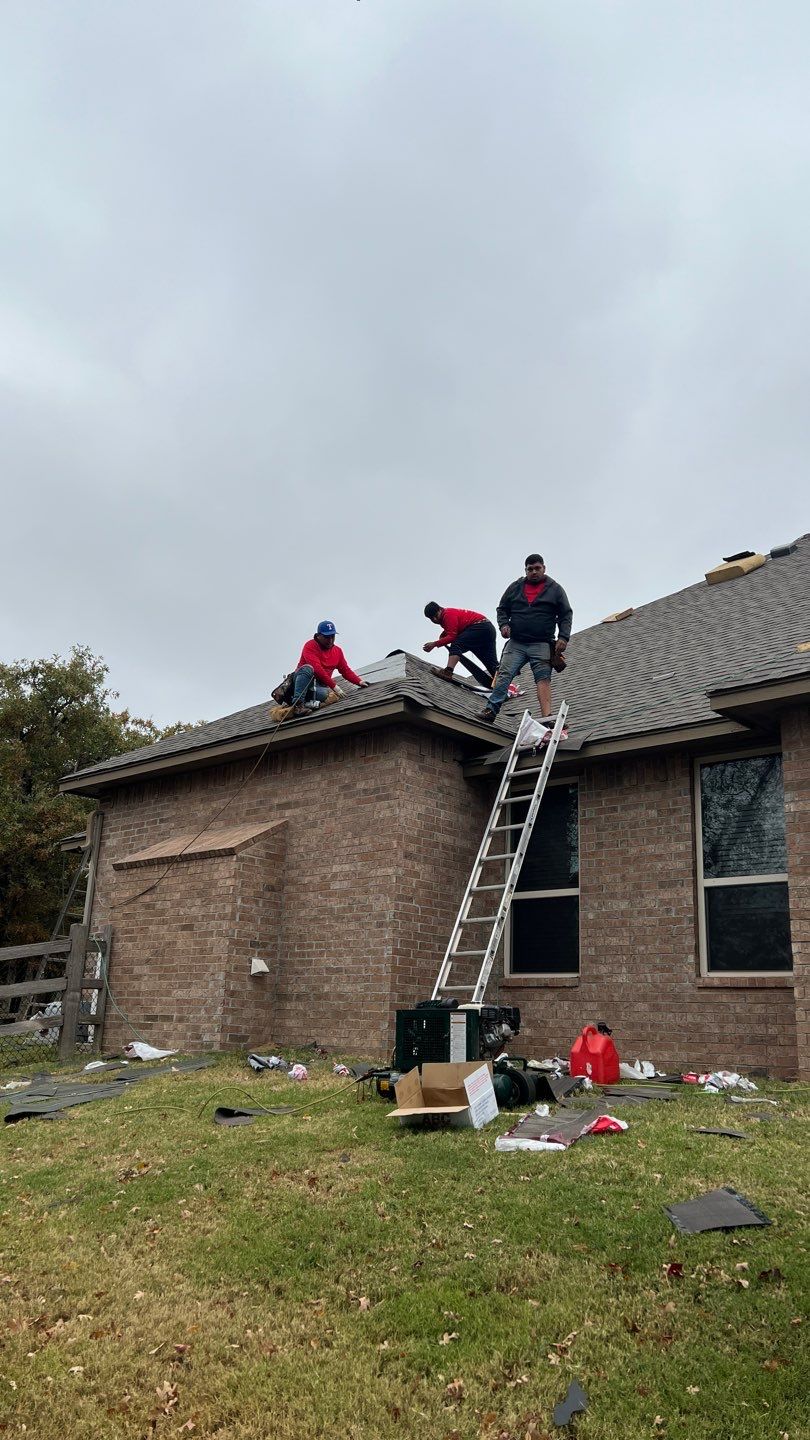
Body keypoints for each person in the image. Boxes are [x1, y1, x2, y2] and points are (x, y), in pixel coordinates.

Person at [480, 555, 572, 722]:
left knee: (543, 678)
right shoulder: (515, 587)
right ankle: (490, 710)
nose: (534, 572)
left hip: (542, 643)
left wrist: (563, 637)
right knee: (504, 674)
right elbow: (502, 609)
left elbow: (566, 614)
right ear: (525, 570)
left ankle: (546, 718)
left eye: (537, 568)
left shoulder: (555, 589)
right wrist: (503, 625)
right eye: (530, 569)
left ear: (544, 568)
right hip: (517, 642)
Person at [279, 621, 370, 720]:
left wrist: (359, 681)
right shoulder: (310, 646)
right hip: (300, 683)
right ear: (318, 636)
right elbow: (317, 669)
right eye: (327, 637)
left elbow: (345, 670)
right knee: (308, 669)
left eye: (332, 636)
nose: (330, 640)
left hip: (317, 687)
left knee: (325, 694)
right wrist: (335, 687)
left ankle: (305, 703)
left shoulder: (337, 651)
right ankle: (298, 705)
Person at [422, 603, 499, 687]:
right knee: (491, 663)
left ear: (440, 609)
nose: (435, 619)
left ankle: (448, 672)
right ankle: (503, 684)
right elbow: (455, 628)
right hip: (487, 629)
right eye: (432, 619)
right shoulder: (448, 615)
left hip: (480, 627)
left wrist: (434, 644)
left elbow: (452, 636)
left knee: (456, 645)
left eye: (436, 615)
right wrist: (443, 636)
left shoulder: (447, 614)